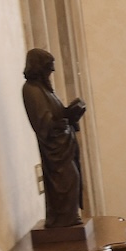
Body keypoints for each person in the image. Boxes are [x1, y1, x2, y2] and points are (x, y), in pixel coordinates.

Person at [22, 48, 86, 229]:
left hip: (64, 144)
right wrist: (64, 120)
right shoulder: (31, 90)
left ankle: (69, 218)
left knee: (73, 179)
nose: (51, 73)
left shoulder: (45, 89)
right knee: (67, 180)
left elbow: (56, 114)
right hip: (55, 151)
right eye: (49, 69)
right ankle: (63, 220)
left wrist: (70, 113)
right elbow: (43, 123)